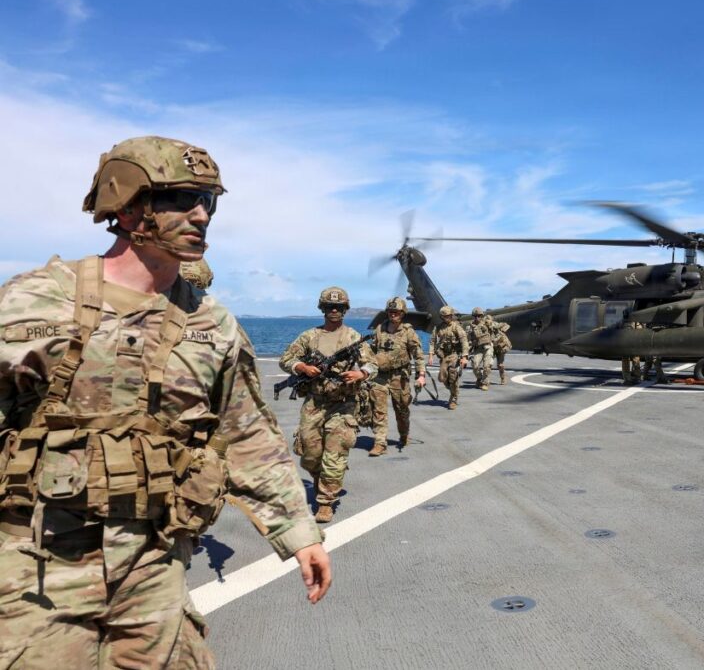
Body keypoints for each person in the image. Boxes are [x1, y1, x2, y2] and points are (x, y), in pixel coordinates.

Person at [0, 136, 330, 667]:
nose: (202, 215)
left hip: (153, 565)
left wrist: (298, 533)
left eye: (209, 202)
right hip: (36, 571)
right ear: (128, 205)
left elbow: (246, 433)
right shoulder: (34, 300)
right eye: (182, 199)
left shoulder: (212, 324)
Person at [279, 287, 377, 522]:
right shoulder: (309, 336)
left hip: (343, 404)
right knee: (310, 454)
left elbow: (372, 364)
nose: (334, 311)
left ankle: (325, 502)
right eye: (330, 307)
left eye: (339, 307)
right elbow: (286, 359)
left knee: (335, 454)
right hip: (314, 403)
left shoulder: (353, 337)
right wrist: (302, 367)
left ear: (345, 310)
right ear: (322, 308)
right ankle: (319, 479)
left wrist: (361, 373)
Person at [368, 297, 426, 455]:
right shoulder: (380, 329)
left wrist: (421, 375)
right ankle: (380, 443)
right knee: (378, 409)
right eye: (390, 312)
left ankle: (404, 434)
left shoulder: (408, 332)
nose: (393, 314)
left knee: (401, 410)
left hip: (399, 377)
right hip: (380, 376)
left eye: (396, 312)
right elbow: (371, 350)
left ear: (402, 313)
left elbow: (418, 355)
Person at [427, 306, 468, 410]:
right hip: (444, 356)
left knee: (453, 377)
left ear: (451, 316)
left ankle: (453, 399)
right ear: (441, 317)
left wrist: (464, 357)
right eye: (444, 316)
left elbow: (464, 341)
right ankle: (454, 391)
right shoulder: (438, 328)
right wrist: (431, 355)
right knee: (443, 379)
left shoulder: (456, 327)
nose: (447, 318)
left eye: (449, 316)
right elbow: (432, 341)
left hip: (454, 355)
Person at [467, 307, 493, 390]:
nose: (477, 318)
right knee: (475, 365)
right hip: (478, 348)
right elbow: (467, 339)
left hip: (487, 347)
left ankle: (485, 383)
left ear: (482, 316)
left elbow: (496, 330)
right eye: (475, 316)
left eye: (479, 316)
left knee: (487, 366)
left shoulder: (487, 323)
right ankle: (479, 378)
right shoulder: (470, 327)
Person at [489, 316, 512, 385]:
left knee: (500, 365)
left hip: (500, 348)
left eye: (489, 320)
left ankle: (503, 378)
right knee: (489, 364)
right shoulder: (485, 327)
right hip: (492, 348)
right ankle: (486, 379)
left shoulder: (496, 325)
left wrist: (501, 329)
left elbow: (507, 325)